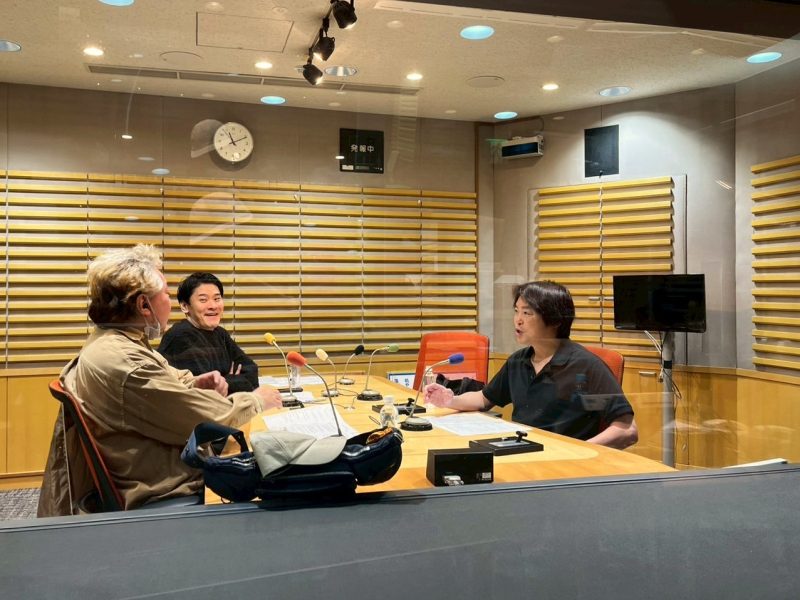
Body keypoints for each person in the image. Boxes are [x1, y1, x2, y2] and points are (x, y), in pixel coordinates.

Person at [38, 245, 283, 516]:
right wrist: (257, 400)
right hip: (166, 486)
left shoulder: (118, 341)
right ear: (144, 305)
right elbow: (206, 419)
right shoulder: (126, 362)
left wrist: (195, 383)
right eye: (166, 293)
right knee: (282, 470)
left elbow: (171, 375)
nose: (169, 302)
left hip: (156, 468)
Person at [424, 281, 638, 449]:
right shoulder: (519, 360)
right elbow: (483, 399)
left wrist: (579, 451)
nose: (518, 320)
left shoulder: (586, 365)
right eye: (516, 311)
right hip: (521, 449)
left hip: (560, 461)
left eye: (527, 313)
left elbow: (627, 430)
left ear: (555, 320)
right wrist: (450, 400)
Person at [159, 272, 258, 393]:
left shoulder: (220, 333)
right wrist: (232, 379)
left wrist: (226, 381)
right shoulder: (180, 336)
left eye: (217, 299)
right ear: (185, 306)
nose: (213, 306)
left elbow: (251, 373)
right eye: (203, 300)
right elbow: (206, 390)